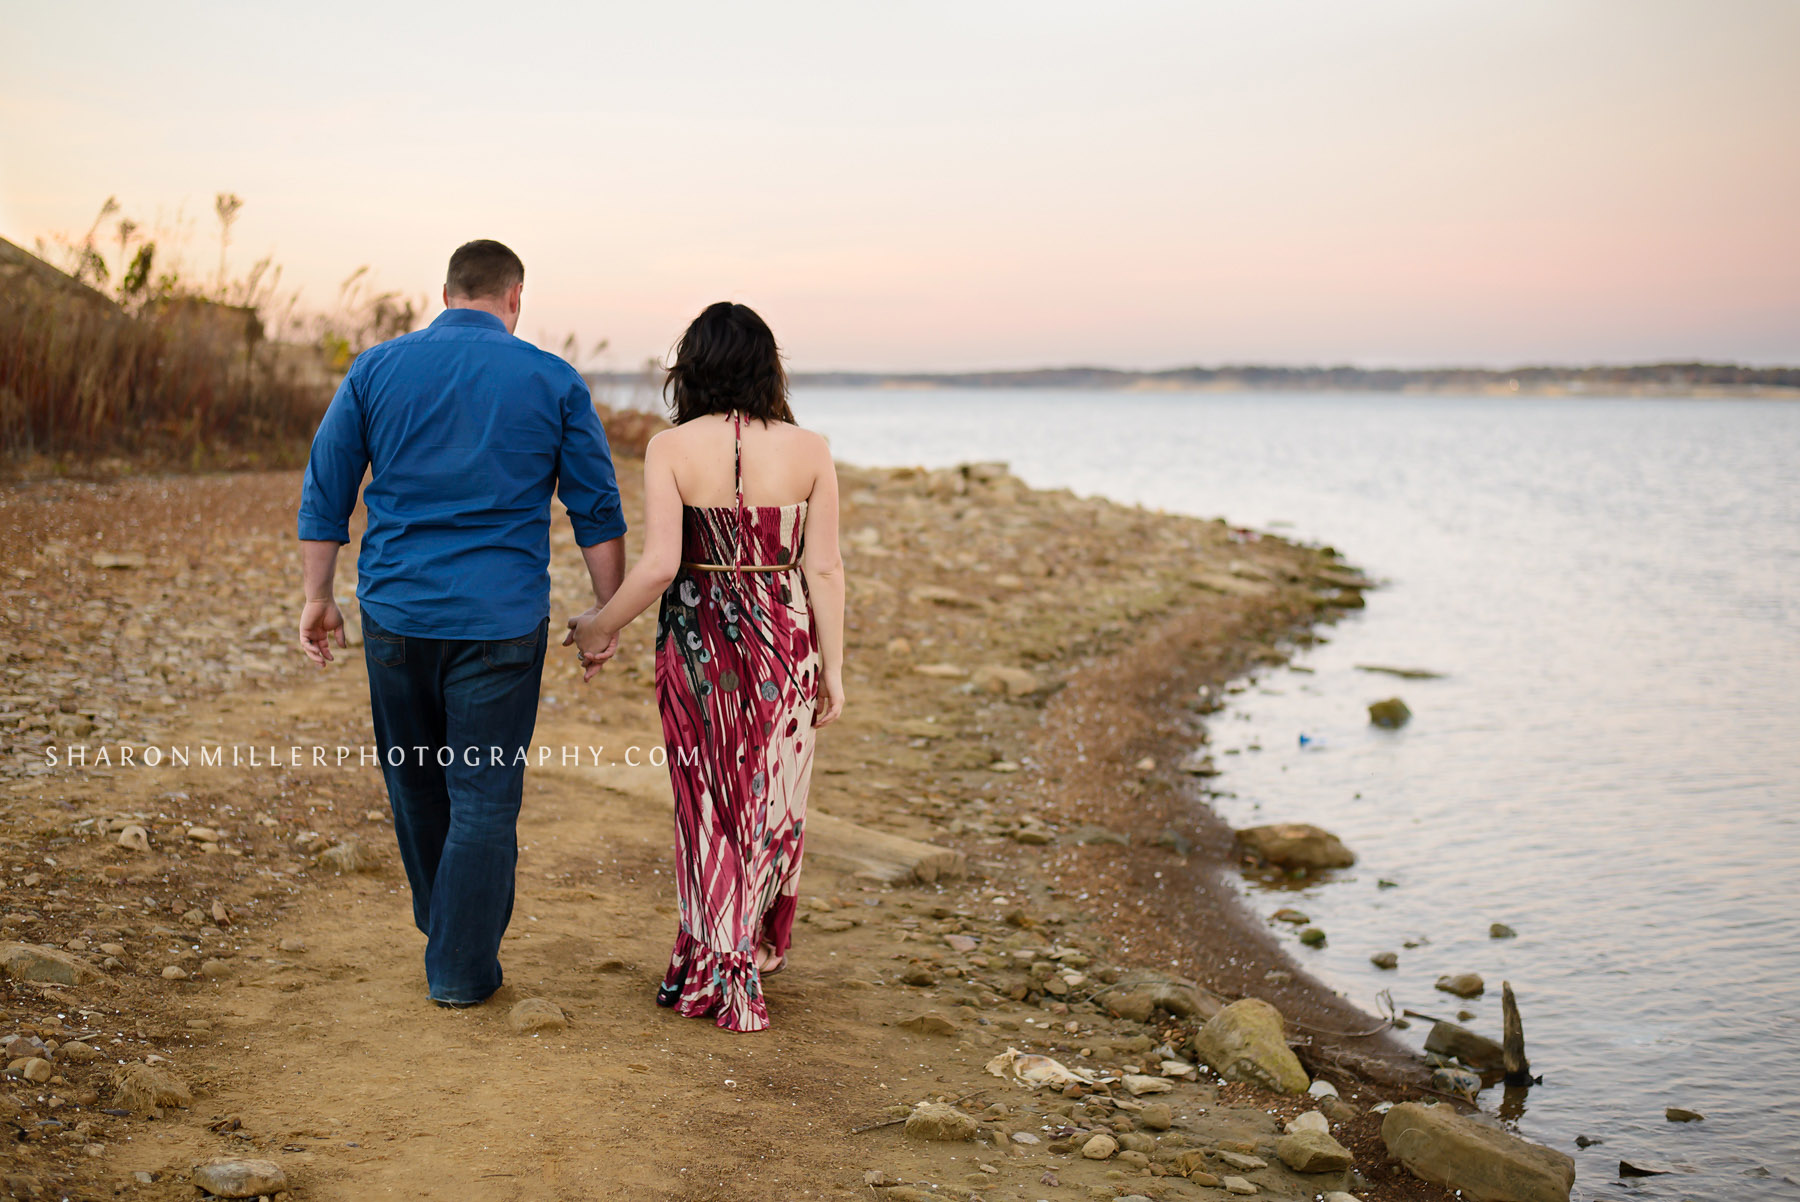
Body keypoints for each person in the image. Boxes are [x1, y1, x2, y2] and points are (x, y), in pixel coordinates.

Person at [295, 239, 628, 1008]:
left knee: (414, 781)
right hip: (501, 623)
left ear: (446, 292)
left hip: (397, 615)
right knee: (484, 796)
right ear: (515, 298)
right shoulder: (552, 378)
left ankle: (447, 930)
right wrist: (605, 616)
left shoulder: (375, 369)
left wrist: (318, 596)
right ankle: (459, 963)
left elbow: (327, 488)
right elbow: (595, 508)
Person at [569, 301, 844, 1032]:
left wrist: (598, 624)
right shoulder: (812, 448)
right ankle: (743, 956)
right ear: (766, 365)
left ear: (690, 367)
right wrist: (835, 672)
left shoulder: (671, 448)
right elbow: (826, 570)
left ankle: (711, 963)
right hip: (785, 645)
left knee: (707, 808)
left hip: (698, 647)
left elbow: (661, 565)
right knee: (771, 804)